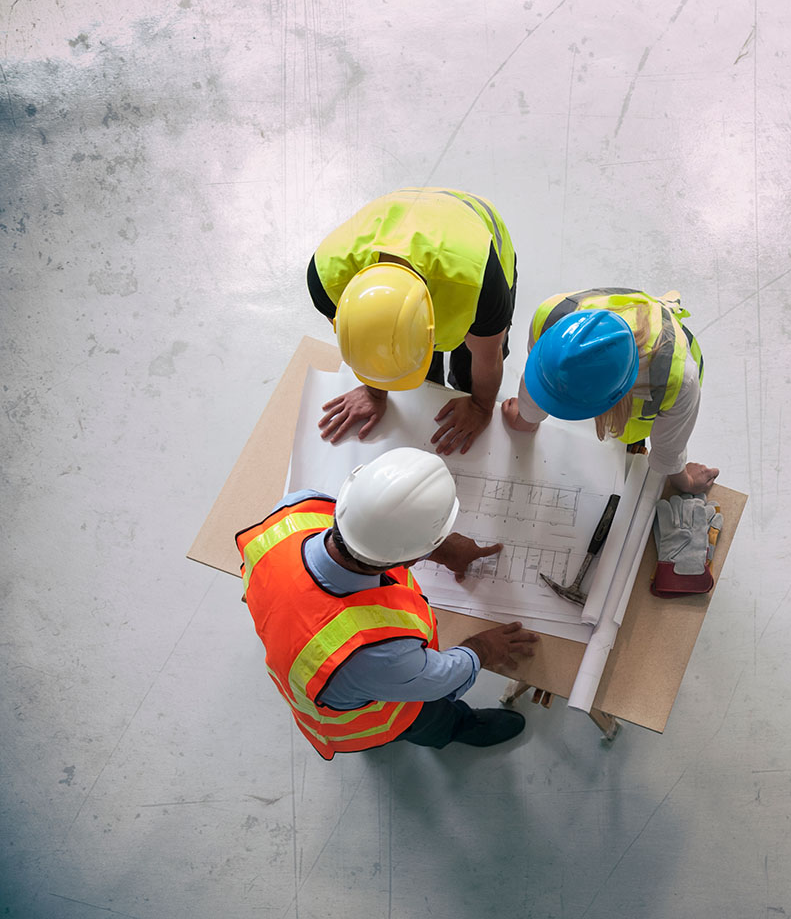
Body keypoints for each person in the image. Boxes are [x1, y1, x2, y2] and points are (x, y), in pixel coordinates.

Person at [236, 447, 539, 759]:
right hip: (368, 713)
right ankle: (457, 727)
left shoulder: (296, 510)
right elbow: (440, 680)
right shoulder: (374, 654)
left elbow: (368, 533)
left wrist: (437, 548)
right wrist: (484, 648)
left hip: (313, 660)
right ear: (410, 559)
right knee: (429, 719)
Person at [307, 187, 518, 455]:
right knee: (417, 370)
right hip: (408, 220)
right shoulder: (327, 278)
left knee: (469, 367)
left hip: (472, 235)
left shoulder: (478, 285)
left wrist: (479, 406)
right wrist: (375, 391)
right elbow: (370, 344)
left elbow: (488, 356)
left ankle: (463, 389)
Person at [501, 288, 719, 494]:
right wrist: (526, 418)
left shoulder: (678, 381)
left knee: (627, 440)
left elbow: (667, 450)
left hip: (651, 397)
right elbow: (541, 373)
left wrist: (685, 482)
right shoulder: (551, 316)